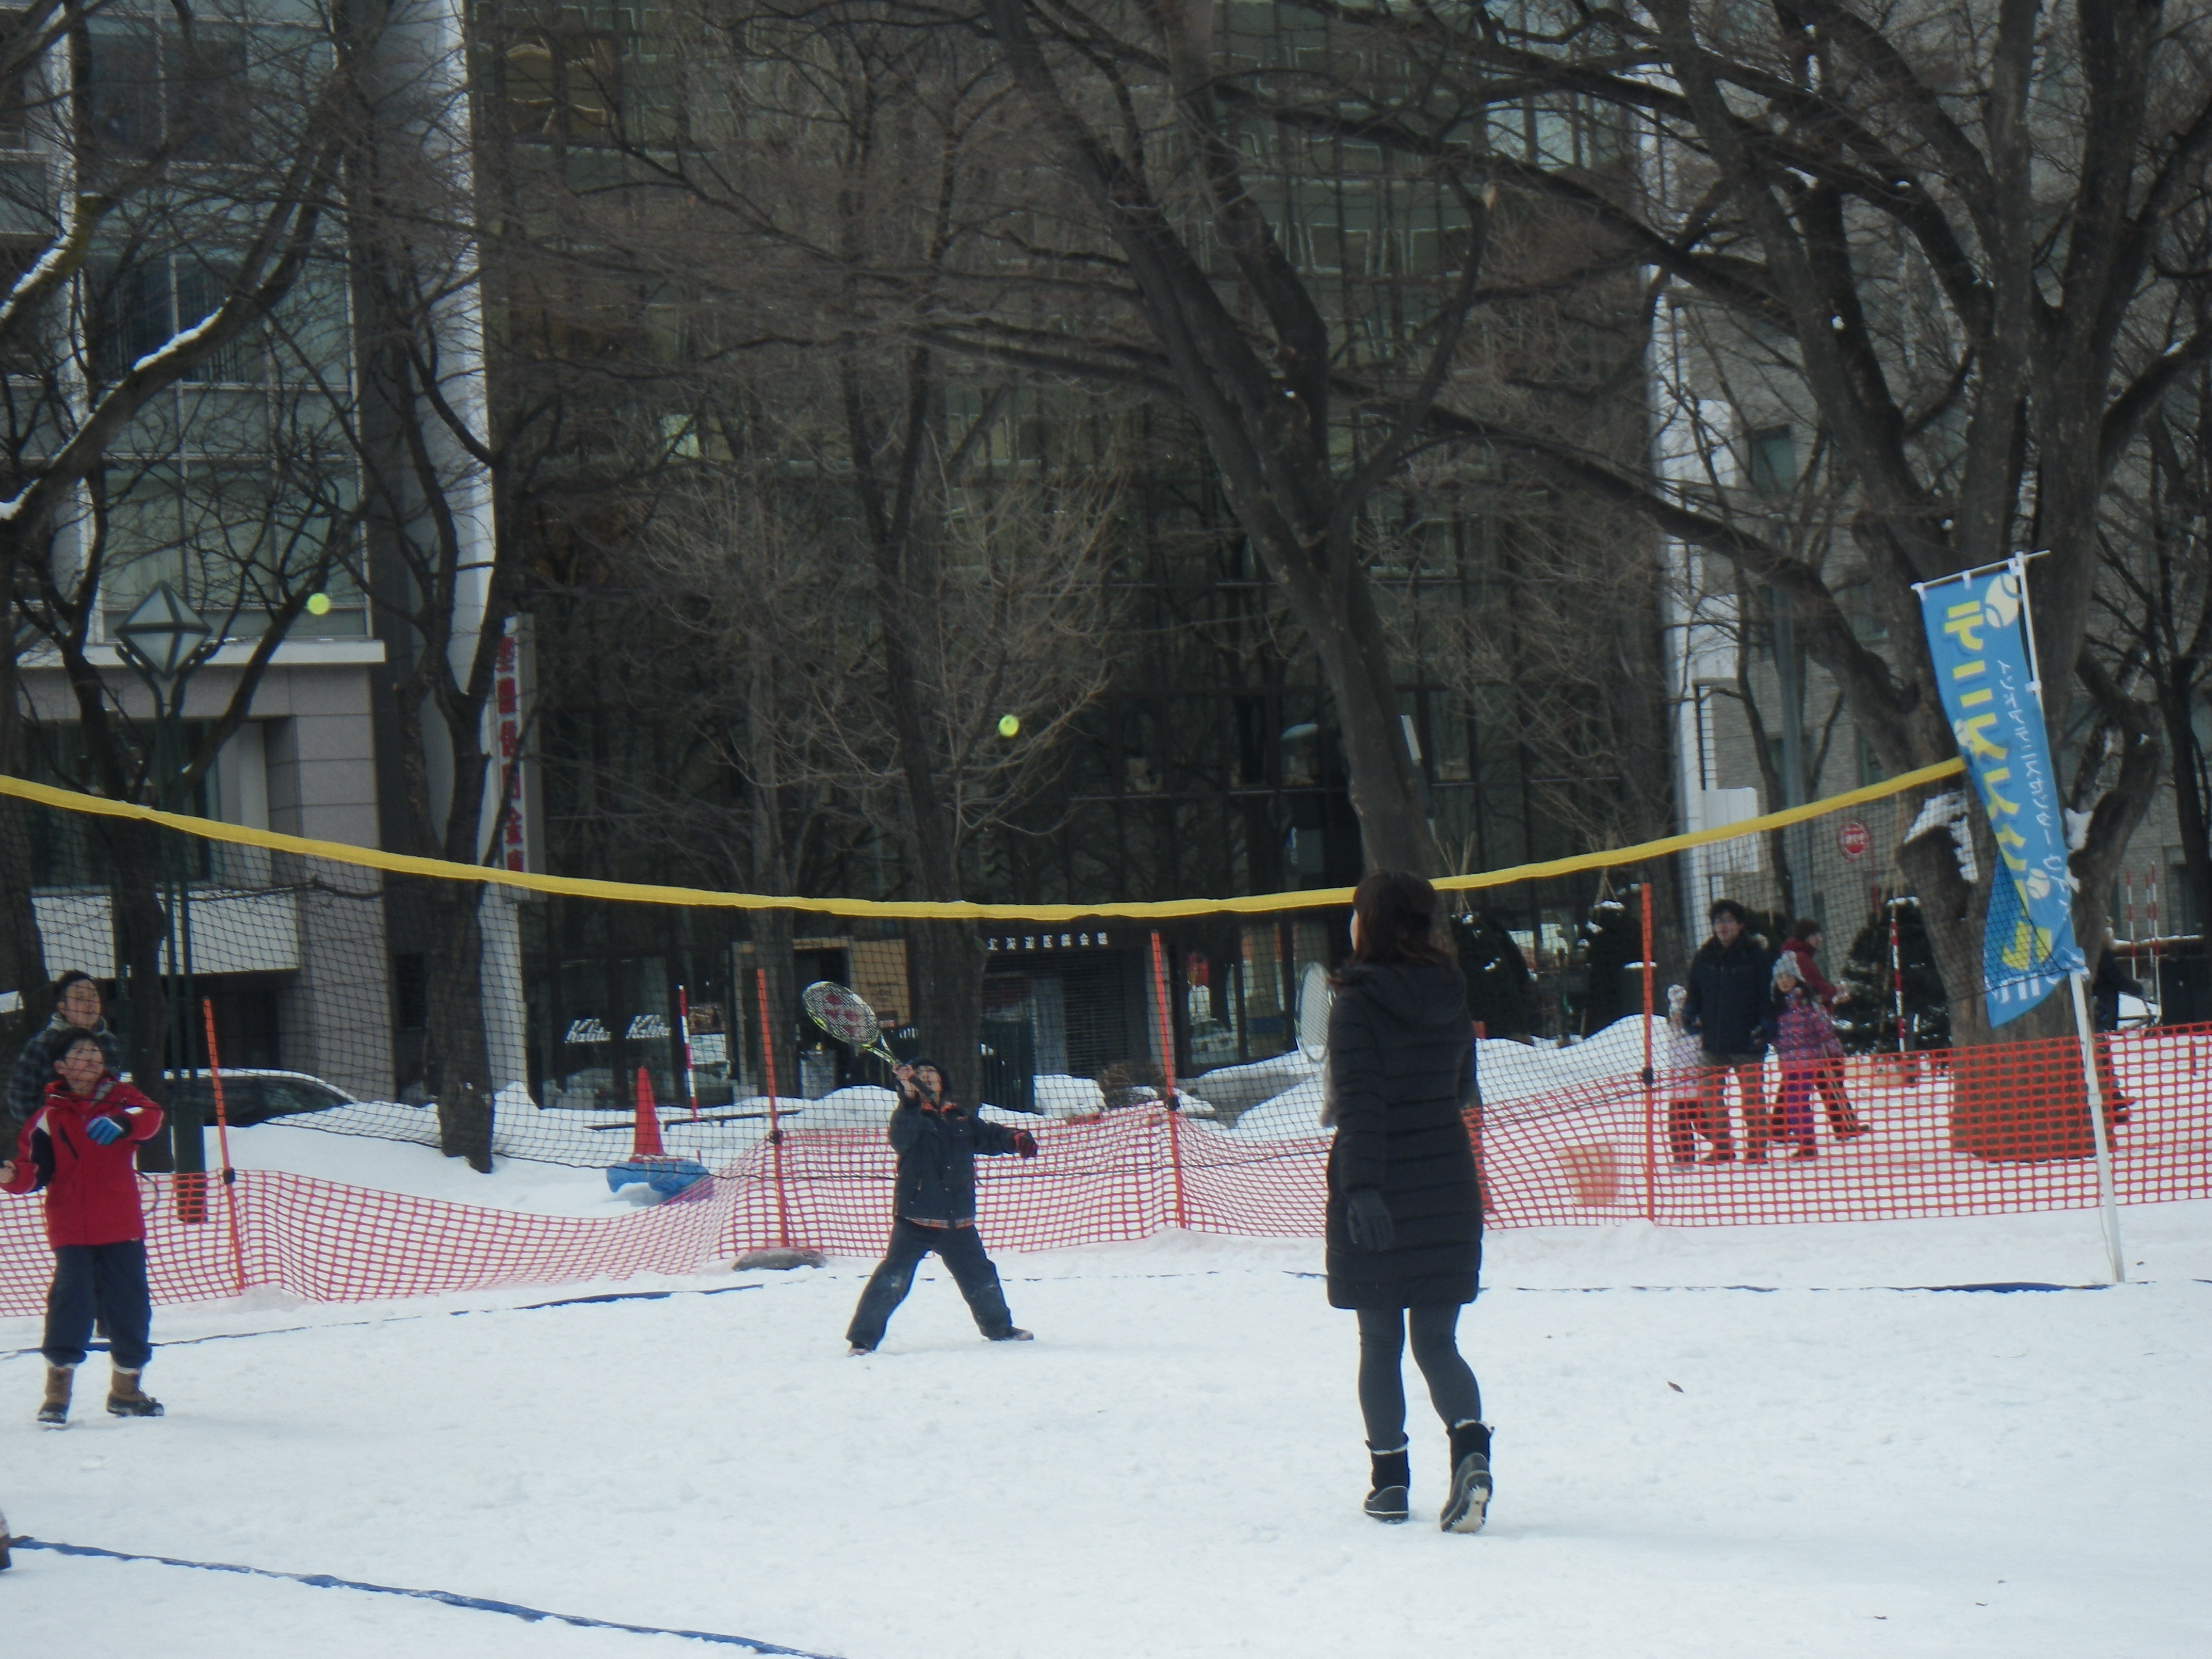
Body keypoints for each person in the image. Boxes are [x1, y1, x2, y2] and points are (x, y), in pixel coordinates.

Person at [1324, 871, 1490, 1534]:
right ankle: (1471, 1452)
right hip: (1447, 1182)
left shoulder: (1357, 1004)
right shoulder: (1451, 991)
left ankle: (1390, 1485)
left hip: (1383, 1186)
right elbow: (1461, 1090)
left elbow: (1361, 1104)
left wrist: (1361, 1187)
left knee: (1380, 1340)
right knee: (1438, 1342)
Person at [3, 1028, 167, 1424]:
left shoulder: (124, 1100)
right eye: (80, 1052)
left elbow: (152, 1117)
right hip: (71, 1227)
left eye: (95, 1052)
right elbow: (34, 1172)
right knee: (70, 1301)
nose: (92, 1058)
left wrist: (124, 1125)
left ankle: (126, 1390)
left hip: (121, 1224)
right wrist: (10, 1175)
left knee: (130, 1305)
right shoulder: (47, 1118)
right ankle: (57, 1392)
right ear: (60, 1067)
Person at [844, 1058, 1038, 1355]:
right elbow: (900, 1138)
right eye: (920, 1074)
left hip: (957, 1220)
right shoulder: (908, 1117)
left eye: (932, 1073)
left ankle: (999, 1329)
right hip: (916, 1218)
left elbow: (990, 1135)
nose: (926, 1077)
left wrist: (1016, 1138)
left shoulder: (958, 1118)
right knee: (892, 1278)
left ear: (942, 1081)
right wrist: (909, 1095)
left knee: (981, 1276)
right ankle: (863, 1340)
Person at [1681, 900, 1777, 1161]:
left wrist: (1766, 1024)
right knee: (1709, 1095)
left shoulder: (1756, 957)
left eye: (1728, 920)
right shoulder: (1704, 957)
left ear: (1740, 924)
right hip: (1714, 1041)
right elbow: (1695, 992)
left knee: (1752, 1099)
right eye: (1718, 921)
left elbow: (1768, 996)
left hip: (1748, 1040)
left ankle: (1757, 1149)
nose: (1722, 926)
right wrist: (1689, 1011)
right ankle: (1723, 1147)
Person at [1778, 922, 1865, 1139]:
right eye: (1817, 935)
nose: (1820, 939)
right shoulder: (1802, 959)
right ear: (1806, 937)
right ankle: (1844, 1124)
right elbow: (1816, 989)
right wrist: (1834, 992)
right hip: (1810, 1032)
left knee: (1794, 1080)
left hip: (1797, 1035)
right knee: (1828, 1074)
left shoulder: (1791, 956)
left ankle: (1778, 1127)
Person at [7, 971, 124, 1129]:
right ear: (63, 1008)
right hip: (56, 1142)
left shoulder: (109, 1042)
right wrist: (48, 1130)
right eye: (80, 998)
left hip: (99, 1138)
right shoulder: (42, 1045)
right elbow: (19, 1099)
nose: (89, 1003)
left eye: (93, 996)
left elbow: (115, 1092)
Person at [1764, 958, 1842, 1159]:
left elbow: (1824, 1028)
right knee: (1792, 1105)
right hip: (1788, 1063)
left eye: (1788, 977)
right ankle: (1805, 1141)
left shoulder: (1807, 1003)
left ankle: (1808, 1144)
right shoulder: (1778, 1006)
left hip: (1807, 1060)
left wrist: (1834, 1049)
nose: (1784, 982)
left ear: (1796, 979)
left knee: (1798, 1103)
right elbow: (1775, 1034)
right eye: (1780, 978)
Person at [2092, 934, 2147, 1122]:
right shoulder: (2100, 952)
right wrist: (2138, 989)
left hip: (2096, 1009)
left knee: (2103, 1056)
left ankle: (2114, 1097)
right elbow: (2117, 978)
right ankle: (2112, 1101)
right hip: (2101, 1011)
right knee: (2103, 1058)